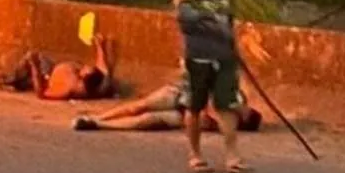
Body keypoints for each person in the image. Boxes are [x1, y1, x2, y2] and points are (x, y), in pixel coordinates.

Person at [173, 0, 249, 173]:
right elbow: (185, 18)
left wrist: (235, 44)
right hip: (198, 54)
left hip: (225, 53)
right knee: (195, 105)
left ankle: (232, 156)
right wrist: (209, 14)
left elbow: (230, 18)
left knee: (227, 104)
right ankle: (195, 155)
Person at [73, 68, 264, 133]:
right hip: (179, 94)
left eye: (243, 115)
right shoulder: (237, 95)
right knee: (139, 106)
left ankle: (98, 124)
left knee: (146, 120)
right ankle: (99, 116)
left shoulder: (228, 123)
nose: (241, 110)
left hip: (183, 114)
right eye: (245, 109)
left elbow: (207, 114)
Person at [4, 34, 115, 101]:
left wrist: (35, 67)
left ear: (84, 76)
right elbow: (103, 67)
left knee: (31, 56)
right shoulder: (101, 85)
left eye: (86, 68)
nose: (86, 66)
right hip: (54, 68)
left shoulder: (70, 88)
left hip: (45, 76)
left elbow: (42, 93)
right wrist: (100, 46)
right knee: (37, 57)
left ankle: (10, 79)